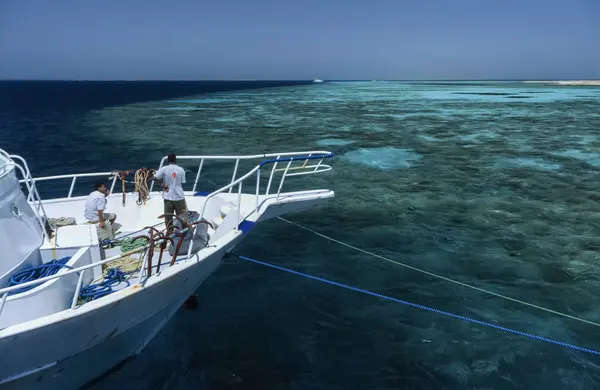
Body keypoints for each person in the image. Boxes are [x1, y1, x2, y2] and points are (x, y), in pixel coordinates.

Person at [151, 153, 188, 232]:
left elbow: (154, 178)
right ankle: (184, 233)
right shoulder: (181, 169)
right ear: (175, 160)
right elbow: (183, 181)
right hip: (179, 197)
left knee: (168, 218)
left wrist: (162, 185)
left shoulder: (164, 169)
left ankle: (170, 232)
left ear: (168, 160)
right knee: (182, 217)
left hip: (168, 196)